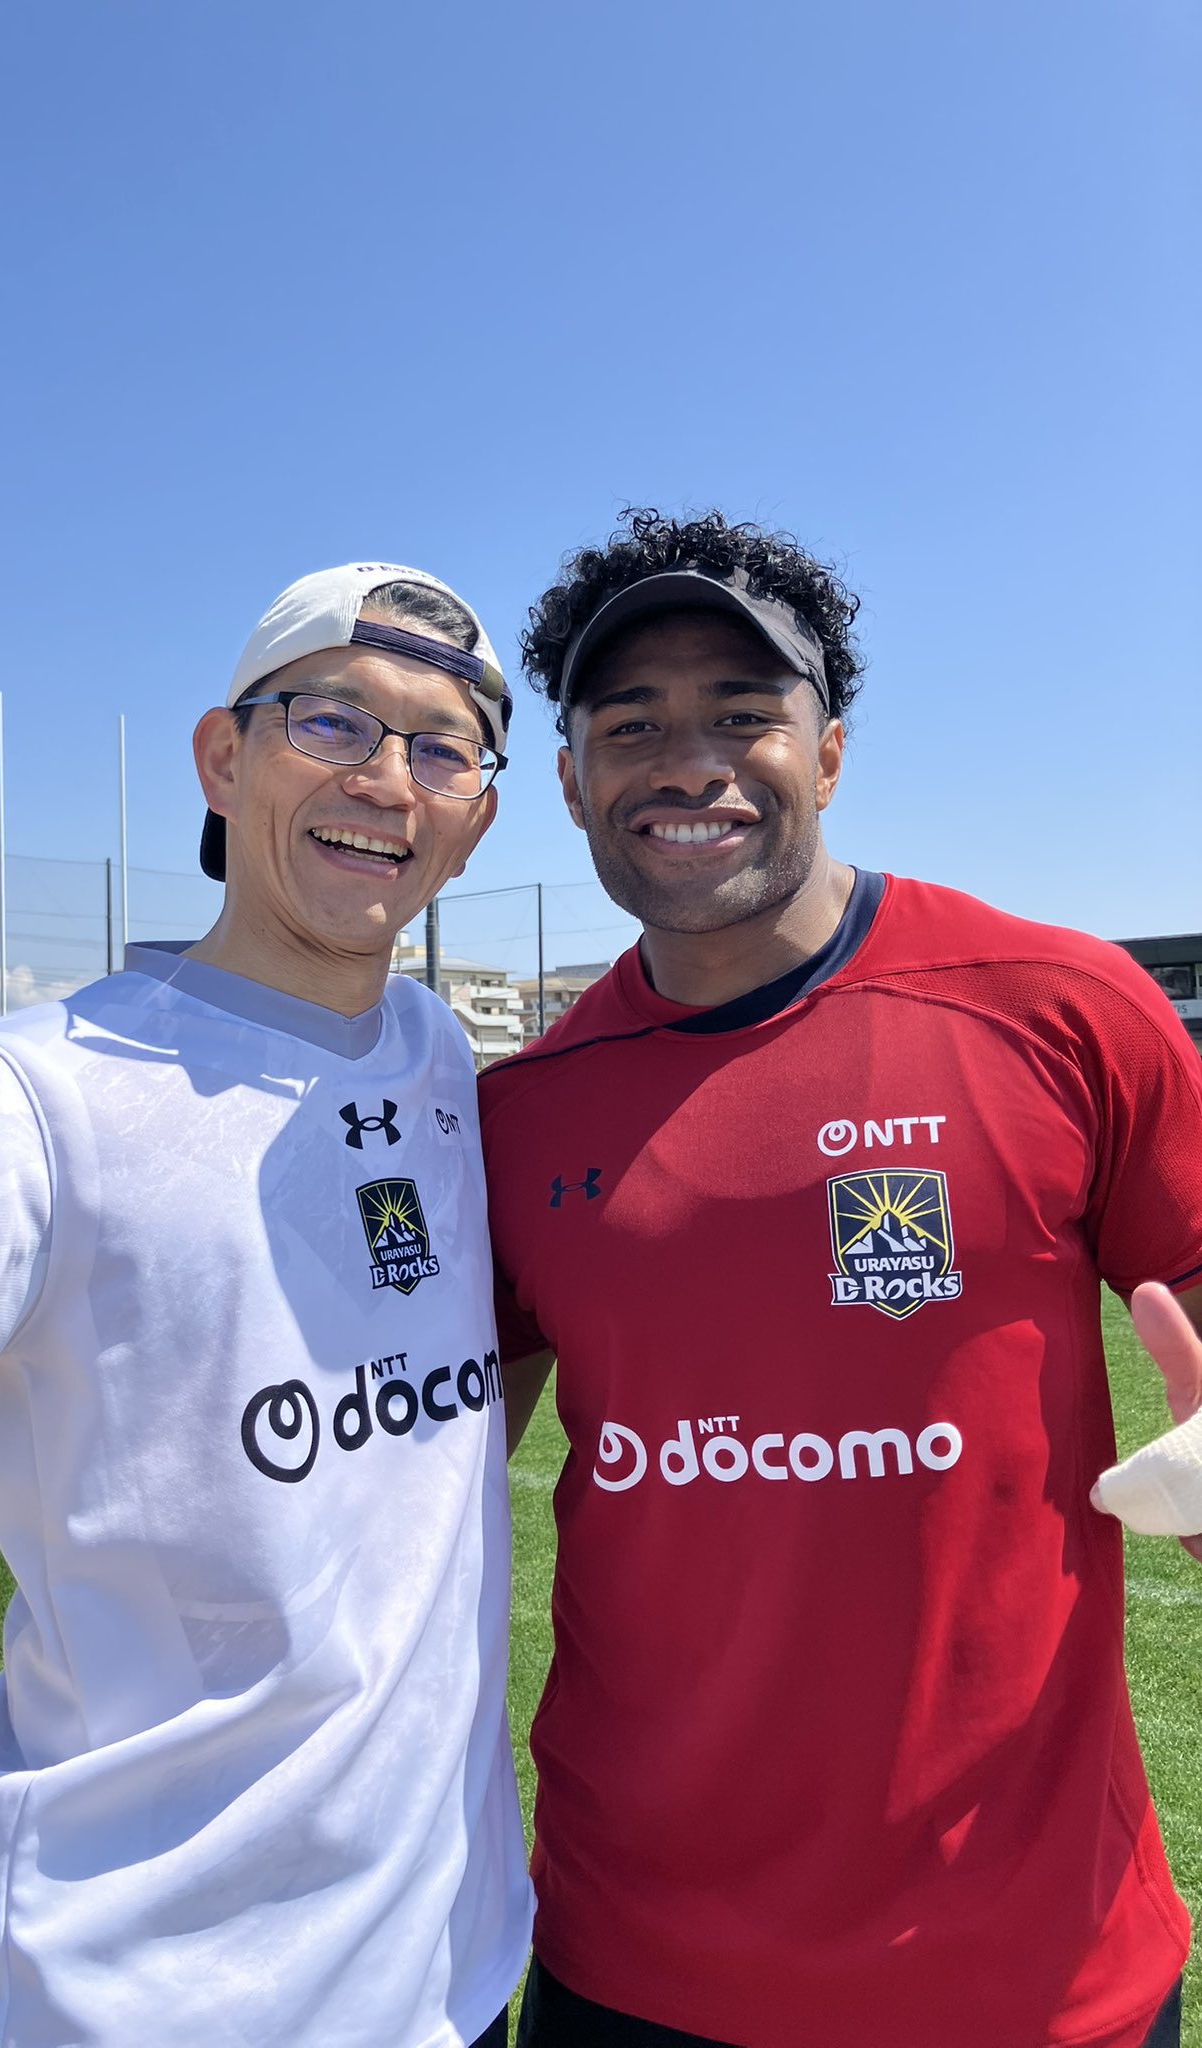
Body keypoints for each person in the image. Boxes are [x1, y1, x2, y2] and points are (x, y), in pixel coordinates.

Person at [0, 563, 533, 2048]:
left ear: (477, 817)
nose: (389, 779)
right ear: (222, 758)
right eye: (331, 720)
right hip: (132, 2000)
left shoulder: (437, 1052)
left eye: (442, 747)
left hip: (446, 1976)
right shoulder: (26, 1098)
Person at [478, 508, 1202, 2048]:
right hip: (633, 1971)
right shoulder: (522, 1110)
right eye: (632, 724)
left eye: (744, 713)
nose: (689, 763)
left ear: (830, 751)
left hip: (1033, 1979)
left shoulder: (1061, 1007)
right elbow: (424, 1477)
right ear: (572, 781)